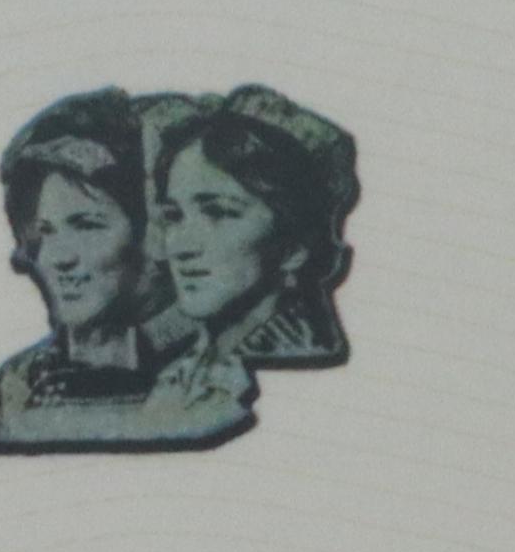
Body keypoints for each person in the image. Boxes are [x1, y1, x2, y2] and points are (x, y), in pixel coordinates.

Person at [0, 90, 255, 456]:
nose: (57, 257)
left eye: (87, 225)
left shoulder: (216, 378)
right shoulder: (17, 386)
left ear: (155, 234)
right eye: (45, 232)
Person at [144, 85, 359, 372]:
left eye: (219, 213)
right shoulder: (182, 365)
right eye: (174, 216)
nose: (181, 247)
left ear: (294, 247)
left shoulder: (294, 365)